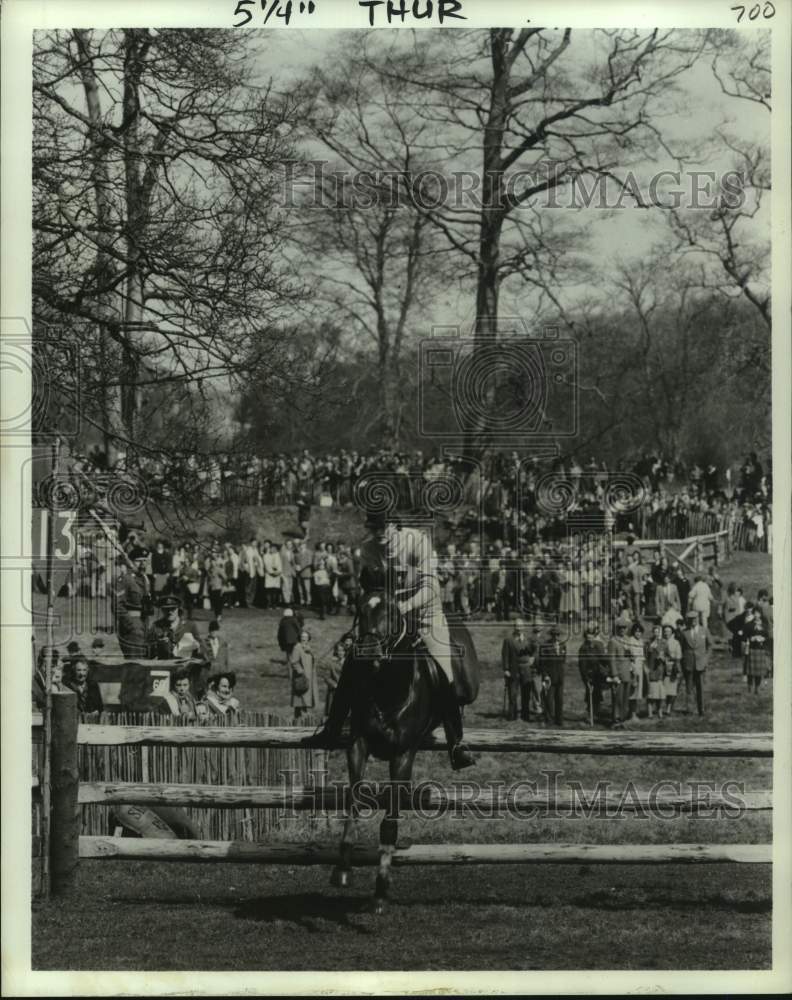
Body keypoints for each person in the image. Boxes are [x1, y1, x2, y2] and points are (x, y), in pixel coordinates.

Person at [306, 512, 475, 770]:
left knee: (443, 669)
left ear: (396, 525)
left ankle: (456, 745)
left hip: (424, 613)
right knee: (355, 658)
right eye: (374, 526)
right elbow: (371, 588)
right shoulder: (368, 548)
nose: (379, 531)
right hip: (387, 616)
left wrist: (403, 605)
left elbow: (431, 588)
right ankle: (332, 728)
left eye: (383, 526)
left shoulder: (417, 542)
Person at [500, 618, 538, 722]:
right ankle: (512, 716)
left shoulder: (529, 640)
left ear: (524, 627)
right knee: (513, 694)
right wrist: (506, 669)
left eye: (521, 626)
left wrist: (533, 658)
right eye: (517, 626)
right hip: (513, 670)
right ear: (514, 627)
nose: (519, 628)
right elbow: (505, 655)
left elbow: (535, 651)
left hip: (526, 669)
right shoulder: (508, 640)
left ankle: (525, 716)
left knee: (526, 694)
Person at [578, 621, 609, 725]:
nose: (590, 638)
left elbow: (603, 659)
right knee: (590, 694)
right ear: (585, 637)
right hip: (589, 675)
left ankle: (596, 713)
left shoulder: (597, 646)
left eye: (592, 636)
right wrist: (586, 679)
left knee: (597, 694)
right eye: (588, 637)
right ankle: (590, 715)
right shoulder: (583, 649)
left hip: (598, 675)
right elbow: (582, 666)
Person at [680, 610, 710, 717]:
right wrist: (683, 661)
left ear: (698, 619)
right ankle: (690, 710)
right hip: (688, 663)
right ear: (688, 620)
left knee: (700, 688)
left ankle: (701, 710)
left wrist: (706, 658)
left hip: (701, 663)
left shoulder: (704, 631)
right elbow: (682, 648)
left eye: (695, 619)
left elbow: (710, 645)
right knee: (689, 688)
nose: (693, 621)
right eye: (691, 619)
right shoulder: (684, 632)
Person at [538, 625, 566, 728]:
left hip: (559, 677)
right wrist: (545, 675)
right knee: (549, 700)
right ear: (551, 635)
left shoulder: (563, 645)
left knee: (559, 699)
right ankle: (549, 719)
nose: (556, 637)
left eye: (558, 635)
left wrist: (561, 674)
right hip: (549, 677)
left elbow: (563, 660)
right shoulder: (545, 646)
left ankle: (559, 720)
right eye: (554, 634)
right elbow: (542, 663)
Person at [607, 620, 632, 728]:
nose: (622, 630)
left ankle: (623, 719)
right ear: (617, 629)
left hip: (627, 672)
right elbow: (611, 659)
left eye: (624, 628)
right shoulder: (613, 641)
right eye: (620, 628)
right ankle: (615, 720)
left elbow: (629, 656)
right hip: (618, 674)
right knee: (617, 698)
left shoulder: (627, 640)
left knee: (625, 698)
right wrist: (614, 674)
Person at [289, 628, 319, 720]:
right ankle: (300, 716)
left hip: (310, 677)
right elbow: (294, 662)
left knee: (307, 697)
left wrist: (311, 652)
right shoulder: (297, 647)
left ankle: (304, 715)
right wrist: (301, 672)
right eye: (302, 637)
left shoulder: (308, 648)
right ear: (299, 638)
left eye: (306, 637)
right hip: (301, 678)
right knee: (301, 697)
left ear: (308, 638)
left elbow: (313, 660)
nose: (304, 639)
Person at [645, 624, 666, 719]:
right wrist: (651, 648)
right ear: (653, 633)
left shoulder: (663, 642)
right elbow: (646, 656)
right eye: (655, 632)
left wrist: (663, 658)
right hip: (652, 668)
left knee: (660, 694)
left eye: (658, 632)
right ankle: (650, 712)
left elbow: (667, 655)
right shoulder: (649, 643)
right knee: (651, 693)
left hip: (660, 669)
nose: (657, 634)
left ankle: (659, 711)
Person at [661, 622, 683, 717]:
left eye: (668, 631)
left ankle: (669, 708)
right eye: (665, 631)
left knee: (672, 689)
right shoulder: (660, 641)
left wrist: (671, 658)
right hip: (661, 667)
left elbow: (679, 656)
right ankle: (660, 708)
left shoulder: (675, 643)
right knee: (662, 688)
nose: (666, 633)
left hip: (672, 667)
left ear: (672, 632)